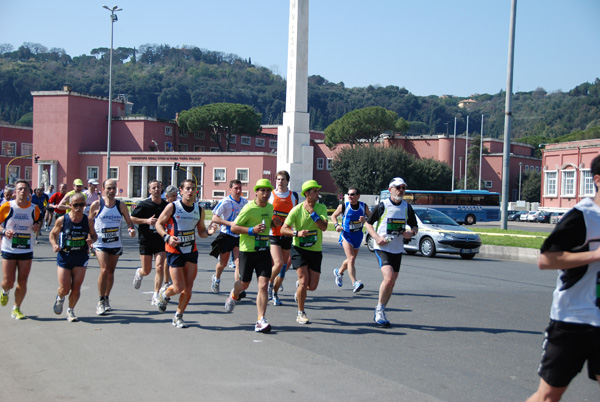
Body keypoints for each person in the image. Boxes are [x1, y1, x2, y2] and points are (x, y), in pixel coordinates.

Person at [525, 155, 600, 402]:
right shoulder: (583, 216)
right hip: (573, 319)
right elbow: (546, 260)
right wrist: (595, 255)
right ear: (598, 180)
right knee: (548, 396)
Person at [155, 179, 216, 328]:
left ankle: (178, 316)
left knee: (188, 288)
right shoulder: (172, 207)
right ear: (181, 191)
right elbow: (158, 224)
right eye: (187, 188)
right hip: (174, 251)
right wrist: (167, 237)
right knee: (178, 287)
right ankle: (164, 294)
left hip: (191, 251)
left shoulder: (199, 210)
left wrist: (208, 232)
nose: (190, 191)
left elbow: (201, 232)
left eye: (193, 189)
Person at [365, 177, 418, 327]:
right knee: (388, 278)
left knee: (392, 282)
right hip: (382, 248)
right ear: (390, 190)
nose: (401, 190)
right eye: (398, 187)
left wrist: (411, 234)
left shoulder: (406, 207)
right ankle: (379, 309)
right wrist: (376, 237)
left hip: (397, 248)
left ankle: (382, 308)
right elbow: (368, 224)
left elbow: (414, 227)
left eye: (403, 188)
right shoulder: (382, 206)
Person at [225, 179, 275, 333]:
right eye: (263, 191)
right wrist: (252, 230)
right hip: (247, 251)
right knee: (244, 284)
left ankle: (260, 319)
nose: (266, 194)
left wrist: (275, 223)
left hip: (264, 250)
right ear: (257, 192)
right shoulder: (248, 208)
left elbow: (267, 223)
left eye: (268, 191)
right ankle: (234, 294)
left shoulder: (270, 207)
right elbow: (234, 227)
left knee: (263, 285)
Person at [281, 179, 328, 325]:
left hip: (315, 250)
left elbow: (324, 227)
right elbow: (284, 229)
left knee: (312, 286)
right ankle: (300, 312)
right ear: (307, 193)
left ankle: (300, 291)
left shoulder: (321, 208)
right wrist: (296, 233)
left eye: (318, 191)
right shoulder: (297, 209)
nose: (317, 194)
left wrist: (312, 213)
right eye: (315, 191)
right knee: (303, 281)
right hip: (299, 249)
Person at [88, 179, 136, 315]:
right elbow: (90, 222)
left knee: (110, 272)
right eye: (109, 188)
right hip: (100, 243)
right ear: (103, 189)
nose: (111, 191)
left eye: (113, 188)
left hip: (115, 243)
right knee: (103, 269)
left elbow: (129, 221)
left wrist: (131, 229)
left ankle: (107, 297)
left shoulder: (120, 205)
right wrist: (89, 237)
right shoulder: (97, 205)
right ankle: (100, 300)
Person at [49, 192, 97, 322]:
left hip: (81, 256)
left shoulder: (88, 221)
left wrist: (91, 240)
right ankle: (60, 298)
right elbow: (52, 234)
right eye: (76, 205)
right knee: (65, 288)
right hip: (65, 256)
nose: (79, 208)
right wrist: (54, 245)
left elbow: (94, 235)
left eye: (82, 205)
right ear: (70, 205)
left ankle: (70, 310)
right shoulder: (62, 220)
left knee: (76, 288)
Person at [0, 180, 42, 320]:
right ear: (15, 192)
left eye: (25, 189)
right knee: (8, 282)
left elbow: (38, 221)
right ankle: (5, 291)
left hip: (26, 248)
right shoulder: (7, 206)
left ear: (29, 192)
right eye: (20, 189)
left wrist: (37, 226)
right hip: (9, 248)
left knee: (23, 280)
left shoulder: (34, 209)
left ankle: (16, 308)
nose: (23, 191)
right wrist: (4, 231)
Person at [130, 180, 168, 306]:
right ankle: (139, 272)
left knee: (160, 266)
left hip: (160, 240)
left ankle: (156, 294)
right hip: (146, 239)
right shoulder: (144, 205)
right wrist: (146, 221)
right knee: (147, 270)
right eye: (154, 188)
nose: (156, 189)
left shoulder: (166, 205)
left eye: (158, 187)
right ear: (149, 190)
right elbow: (131, 219)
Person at [209, 180, 248, 294]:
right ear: (230, 189)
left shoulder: (244, 202)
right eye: (236, 188)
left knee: (238, 263)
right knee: (223, 264)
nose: (238, 190)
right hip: (226, 235)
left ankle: (238, 288)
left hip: (239, 236)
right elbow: (215, 218)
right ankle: (216, 279)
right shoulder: (225, 202)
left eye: (240, 188)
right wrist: (229, 223)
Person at [267, 170, 298, 306]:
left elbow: (296, 214)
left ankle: (275, 293)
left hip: (287, 234)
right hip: (273, 234)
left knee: (283, 267)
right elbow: (265, 215)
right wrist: (273, 222)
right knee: (278, 263)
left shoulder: (293, 196)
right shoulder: (271, 195)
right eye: (278, 179)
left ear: (287, 181)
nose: (280, 182)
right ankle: (269, 284)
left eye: (283, 179)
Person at [331, 186, 370, 293]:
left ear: (358, 196)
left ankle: (339, 272)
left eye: (352, 194)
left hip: (358, 236)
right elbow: (333, 216)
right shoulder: (344, 206)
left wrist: (365, 219)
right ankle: (355, 283)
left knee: (350, 260)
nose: (349, 196)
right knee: (351, 258)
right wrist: (336, 226)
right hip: (346, 235)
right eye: (348, 194)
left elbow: (371, 218)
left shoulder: (363, 206)